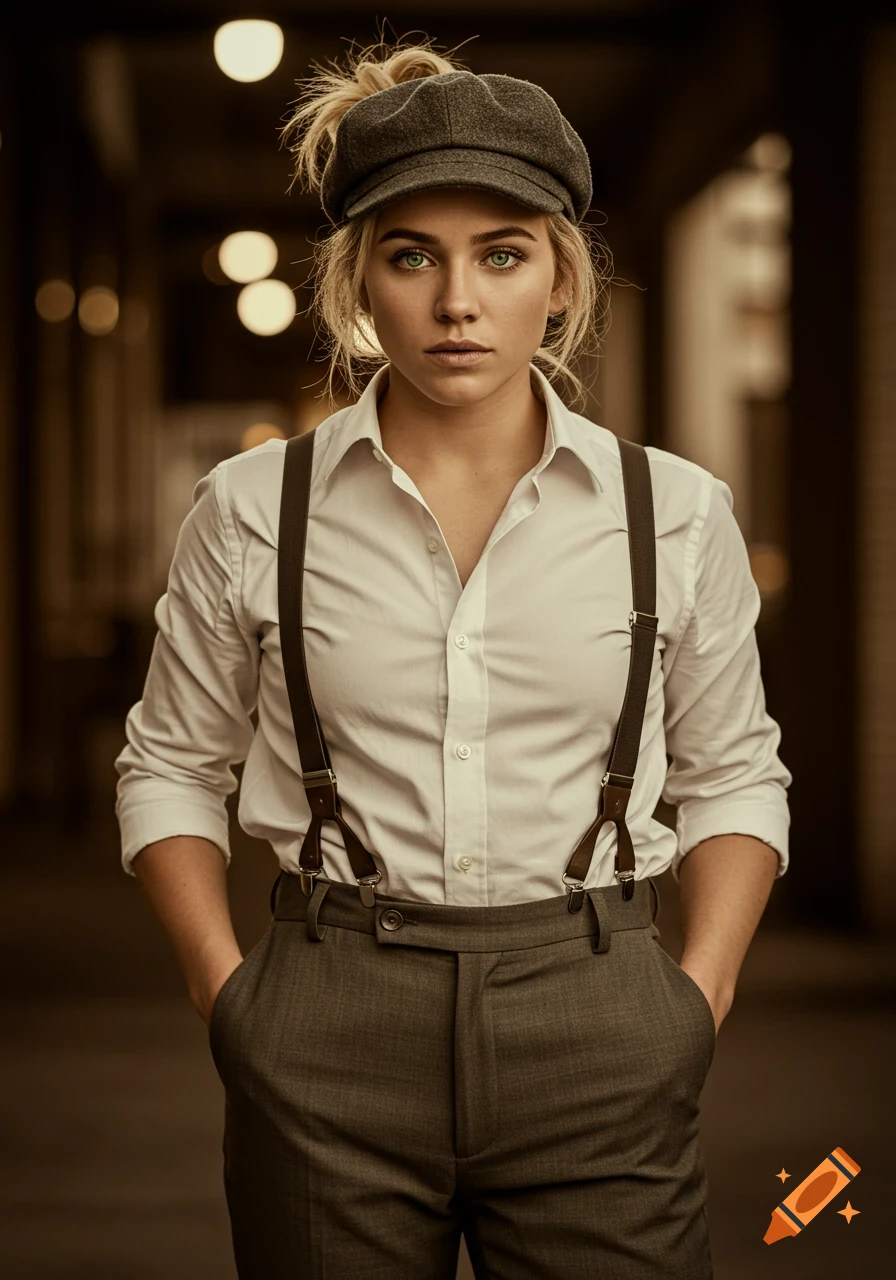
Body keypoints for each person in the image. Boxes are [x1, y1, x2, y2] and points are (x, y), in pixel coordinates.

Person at [114, 37, 792, 1280]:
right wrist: (232, 1001)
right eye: (411, 255)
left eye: (501, 254)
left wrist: (693, 1000)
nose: (456, 301)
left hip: (599, 1013)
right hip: (325, 1014)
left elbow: (736, 770)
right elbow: (167, 763)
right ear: (359, 282)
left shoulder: (675, 513)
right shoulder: (255, 505)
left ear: (562, 280)